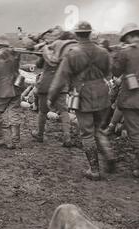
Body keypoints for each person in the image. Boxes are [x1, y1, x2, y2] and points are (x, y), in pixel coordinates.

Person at [48, 21, 116, 180]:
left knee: (87, 133)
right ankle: (110, 156)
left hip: (83, 95)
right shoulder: (104, 52)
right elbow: (109, 72)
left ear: (77, 35)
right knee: (98, 129)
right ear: (90, 33)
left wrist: (51, 98)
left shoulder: (72, 54)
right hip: (103, 93)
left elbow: (60, 79)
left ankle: (94, 170)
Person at [31, 27, 73, 147]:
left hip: (46, 84)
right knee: (63, 111)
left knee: (43, 111)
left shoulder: (48, 49)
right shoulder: (68, 51)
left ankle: (40, 134)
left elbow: (38, 65)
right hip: (61, 85)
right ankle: (67, 137)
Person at [0, 35, 23, 149]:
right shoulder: (16, 54)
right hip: (16, 87)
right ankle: (16, 141)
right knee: (14, 113)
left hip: (2, 89)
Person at [112, 23, 139, 178]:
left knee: (135, 133)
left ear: (127, 37)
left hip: (131, 99)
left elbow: (116, 71)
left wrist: (117, 53)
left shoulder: (126, 52)